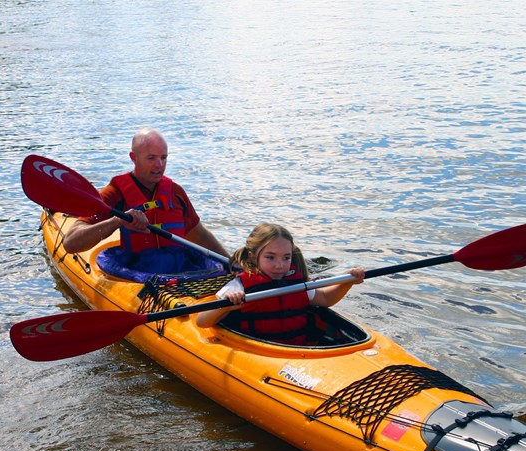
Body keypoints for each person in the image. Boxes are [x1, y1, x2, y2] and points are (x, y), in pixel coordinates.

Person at [62, 127, 230, 276]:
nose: (159, 165)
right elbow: (70, 243)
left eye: (163, 158)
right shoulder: (115, 192)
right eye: (151, 158)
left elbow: (199, 234)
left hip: (179, 272)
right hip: (139, 273)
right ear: (133, 157)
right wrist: (117, 221)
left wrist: (231, 262)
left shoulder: (175, 192)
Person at [196, 223, 365, 345]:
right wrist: (227, 305)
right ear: (254, 257)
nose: (280, 265)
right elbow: (202, 321)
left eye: (286, 257)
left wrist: (347, 282)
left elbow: (325, 299)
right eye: (270, 257)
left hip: (296, 348)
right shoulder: (239, 286)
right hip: (256, 349)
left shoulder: (296, 283)